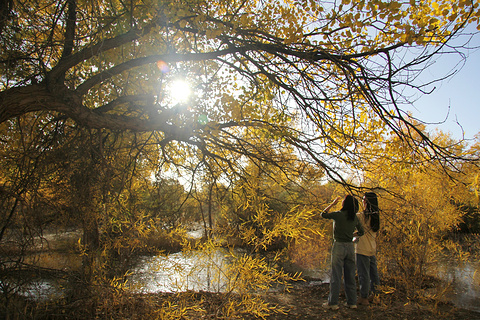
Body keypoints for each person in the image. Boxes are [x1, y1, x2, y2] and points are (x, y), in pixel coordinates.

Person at [321, 195, 364, 310]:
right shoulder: (354, 217)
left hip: (339, 246)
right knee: (350, 276)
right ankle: (352, 302)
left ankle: (333, 303)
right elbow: (361, 231)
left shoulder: (338, 215)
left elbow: (323, 214)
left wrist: (333, 204)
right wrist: (351, 235)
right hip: (350, 247)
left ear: (344, 204)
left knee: (336, 275)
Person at [355, 192, 381, 306]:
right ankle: (375, 296)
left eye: (364, 200)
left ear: (368, 202)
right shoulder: (376, 217)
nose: (362, 201)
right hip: (372, 249)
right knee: (373, 274)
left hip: (362, 249)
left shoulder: (361, 216)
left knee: (363, 274)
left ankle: (364, 297)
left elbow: (358, 231)